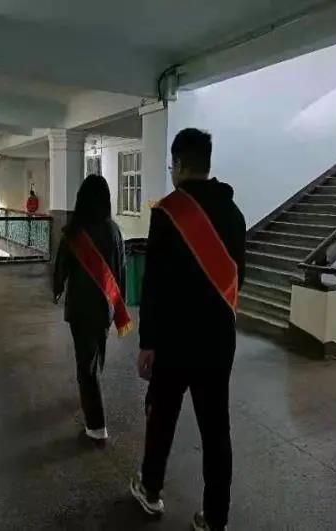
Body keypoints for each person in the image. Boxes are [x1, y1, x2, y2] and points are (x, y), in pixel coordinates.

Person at [130, 129, 246, 531]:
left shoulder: (168, 211)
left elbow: (154, 285)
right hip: (218, 339)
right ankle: (215, 518)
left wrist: (148, 342)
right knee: (216, 430)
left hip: (174, 340)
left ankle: (150, 490)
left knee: (162, 417)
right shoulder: (234, 214)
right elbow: (239, 279)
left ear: (179, 164)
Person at [53, 174, 129, 442]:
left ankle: (96, 427)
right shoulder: (114, 230)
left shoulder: (74, 231)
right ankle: (89, 396)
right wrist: (119, 303)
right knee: (96, 356)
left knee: (85, 365)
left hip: (80, 309)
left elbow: (61, 267)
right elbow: (121, 269)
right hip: (105, 308)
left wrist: (57, 288)